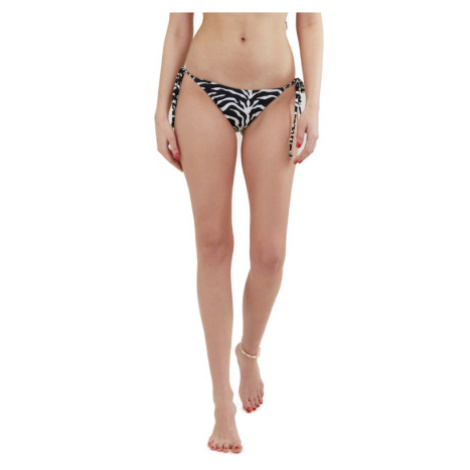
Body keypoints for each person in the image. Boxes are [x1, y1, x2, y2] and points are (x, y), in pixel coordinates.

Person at [154, 12, 323, 453]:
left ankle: (248, 351)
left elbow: (309, 22)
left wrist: (314, 107)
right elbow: (179, 24)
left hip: (278, 93)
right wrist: (159, 111)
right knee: (213, 245)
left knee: (270, 254)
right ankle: (221, 402)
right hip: (202, 87)